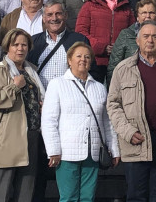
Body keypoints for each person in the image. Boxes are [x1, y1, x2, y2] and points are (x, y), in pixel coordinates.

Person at [106, 21, 156, 202]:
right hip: (136, 139)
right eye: (146, 36)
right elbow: (113, 105)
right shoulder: (122, 69)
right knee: (136, 196)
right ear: (137, 41)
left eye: (155, 36)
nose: (150, 40)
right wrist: (128, 132)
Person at [42, 42, 121, 202]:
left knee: (87, 197)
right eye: (78, 56)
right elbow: (49, 120)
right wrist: (53, 150)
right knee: (68, 197)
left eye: (87, 57)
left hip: (92, 153)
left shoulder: (99, 87)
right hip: (66, 153)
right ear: (69, 60)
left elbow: (107, 122)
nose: (83, 60)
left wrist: (114, 148)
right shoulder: (57, 84)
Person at [0, 29, 46, 202]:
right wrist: (14, 87)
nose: (20, 48)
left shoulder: (31, 71)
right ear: (7, 47)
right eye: (15, 44)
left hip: (31, 134)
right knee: (2, 191)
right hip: (7, 137)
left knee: (26, 190)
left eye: (24, 45)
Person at [76, 0, 135, 81]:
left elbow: (132, 32)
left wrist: (120, 49)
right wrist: (102, 48)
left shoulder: (125, 7)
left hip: (119, 61)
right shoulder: (89, 6)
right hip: (96, 61)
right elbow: (81, 32)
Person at [108, 0, 156, 83]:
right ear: (137, 17)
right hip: (130, 86)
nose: (147, 16)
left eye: (151, 13)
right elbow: (113, 66)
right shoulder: (126, 35)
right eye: (143, 13)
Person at [29, 1, 90, 87]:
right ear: (43, 18)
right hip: (41, 98)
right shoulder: (33, 42)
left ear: (65, 16)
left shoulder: (79, 40)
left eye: (58, 14)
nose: (54, 18)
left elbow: (90, 71)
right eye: (49, 15)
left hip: (70, 97)